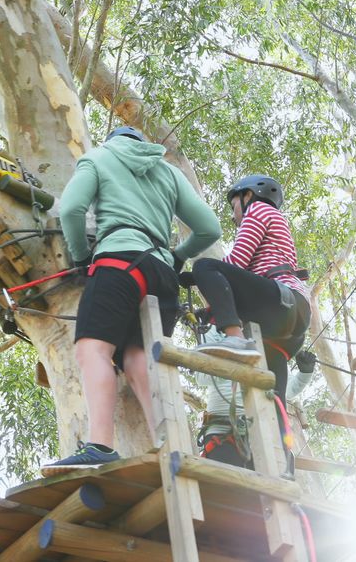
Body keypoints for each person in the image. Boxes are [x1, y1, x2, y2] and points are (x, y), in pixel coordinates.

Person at [40, 126, 221, 476]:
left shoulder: (98, 157)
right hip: (161, 274)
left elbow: (72, 210)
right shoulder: (167, 169)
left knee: (93, 350)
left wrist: (81, 258)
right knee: (139, 359)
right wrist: (177, 256)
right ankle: (173, 450)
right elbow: (209, 228)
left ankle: (100, 446)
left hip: (118, 262)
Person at [186, 175, 312, 407]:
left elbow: (236, 263)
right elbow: (247, 286)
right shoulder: (275, 219)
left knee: (204, 265)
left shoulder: (258, 209)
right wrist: (213, 309)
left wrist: (199, 276)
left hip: (281, 302)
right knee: (272, 399)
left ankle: (236, 340)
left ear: (248, 195)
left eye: (234, 206)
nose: (234, 217)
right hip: (288, 323)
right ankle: (281, 442)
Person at [196, 328, 317, 469]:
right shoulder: (214, 329)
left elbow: (285, 389)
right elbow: (202, 375)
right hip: (223, 431)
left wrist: (305, 373)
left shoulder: (264, 335)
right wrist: (239, 352)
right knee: (230, 488)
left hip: (264, 432)